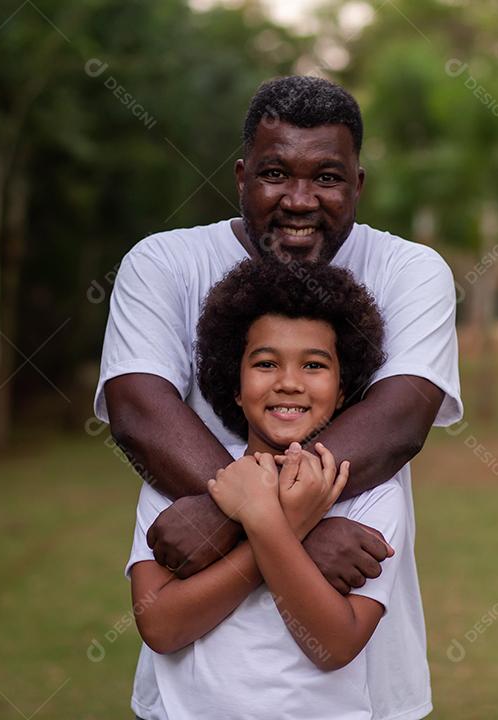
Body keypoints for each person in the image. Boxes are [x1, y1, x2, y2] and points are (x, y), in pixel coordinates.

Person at [95, 75, 462, 720]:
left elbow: (397, 423)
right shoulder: (163, 263)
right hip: (189, 696)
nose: (300, 199)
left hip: (363, 694)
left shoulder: (411, 271)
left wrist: (248, 518)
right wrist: (290, 529)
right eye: (274, 174)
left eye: (326, 177)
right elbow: (139, 411)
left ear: (358, 184)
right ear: (241, 177)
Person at [129, 258, 409, 718]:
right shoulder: (176, 485)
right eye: (265, 363)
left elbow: (334, 645)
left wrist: (264, 518)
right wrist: (289, 523)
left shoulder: (375, 495)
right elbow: (160, 627)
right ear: (235, 383)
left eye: (315, 365)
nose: (289, 383)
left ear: (343, 389)